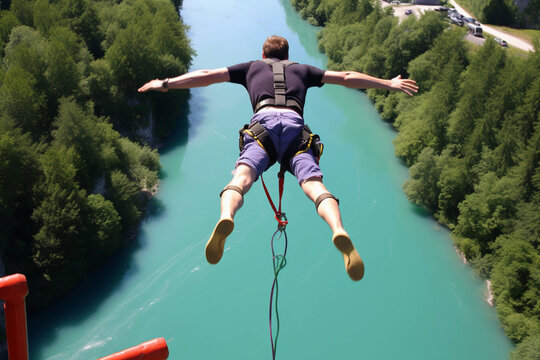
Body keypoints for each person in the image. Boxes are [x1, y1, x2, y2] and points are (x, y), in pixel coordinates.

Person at [138, 35, 418, 281]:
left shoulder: (250, 68)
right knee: (314, 184)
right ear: (287, 56)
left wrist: (164, 83)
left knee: (242, 177)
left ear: (263, 55)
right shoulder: (304, 70)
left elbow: (208, 75)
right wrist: (388, 84)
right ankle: (338, 229)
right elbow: (345, 77)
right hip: (296, 131)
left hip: (263, 128)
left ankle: (227, 216)